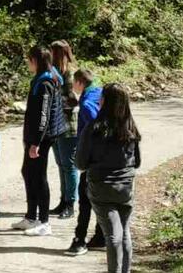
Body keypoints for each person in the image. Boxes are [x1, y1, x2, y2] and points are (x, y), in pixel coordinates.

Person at [76, 83, 141, 273]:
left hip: (100, 187)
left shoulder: (93, 128)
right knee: (125, 232)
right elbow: (136, 161)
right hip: (125, 187)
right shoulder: (131, 128)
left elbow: (80, 163)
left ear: (105, 101)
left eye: (101, 97)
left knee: (113, 235)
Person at [13, 45, 66, 237]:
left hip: (42, 138)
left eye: (29, 59)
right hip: (35, 137)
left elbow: (43, 116)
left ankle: (44, 221)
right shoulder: (41, 78)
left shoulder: (46, 83)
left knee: (39, 176)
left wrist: (35, 142)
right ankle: (31, 216)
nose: (28, 63)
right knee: (28, 172)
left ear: (35, 60)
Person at [66, 69, 105, 256]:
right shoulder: (99, 92)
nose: (73, 85)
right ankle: (100, 236)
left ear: (80, 82)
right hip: (107, 160)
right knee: (100, 200)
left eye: (74, 81)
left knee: (85, 200)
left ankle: (79, 239)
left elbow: (94, 131)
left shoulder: (88, 103)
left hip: (93, 160)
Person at [50, 40, 79, 219]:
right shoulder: (55, 72)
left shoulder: (69, 74)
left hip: (69, 125)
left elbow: (73, 100)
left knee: (69, 165)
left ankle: (70, 203)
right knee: (61, 164)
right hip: (56, 124)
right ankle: (63, 200)